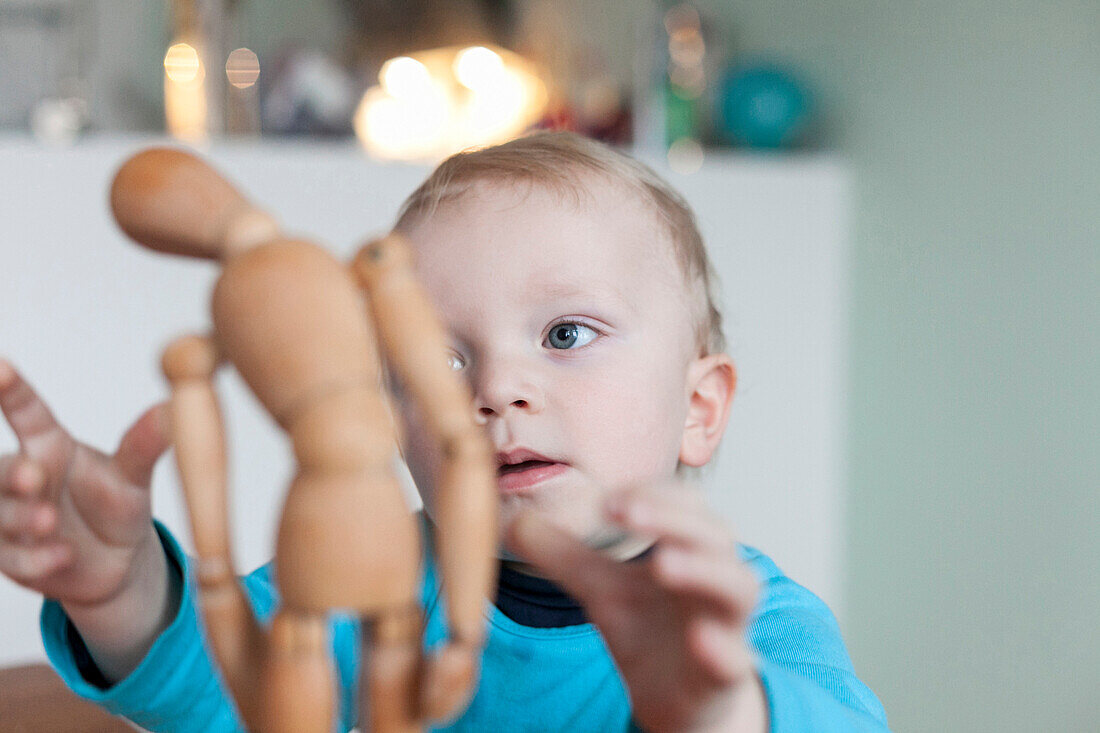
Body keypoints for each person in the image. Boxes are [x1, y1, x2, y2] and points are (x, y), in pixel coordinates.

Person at [0, 132, 888, 732]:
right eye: (440, 360)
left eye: (566, 335)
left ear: (699, 409)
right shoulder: (369, 589)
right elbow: (220, 687)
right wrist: (119, 589)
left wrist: (723, 707)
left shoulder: (752, 628)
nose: (499, 389)